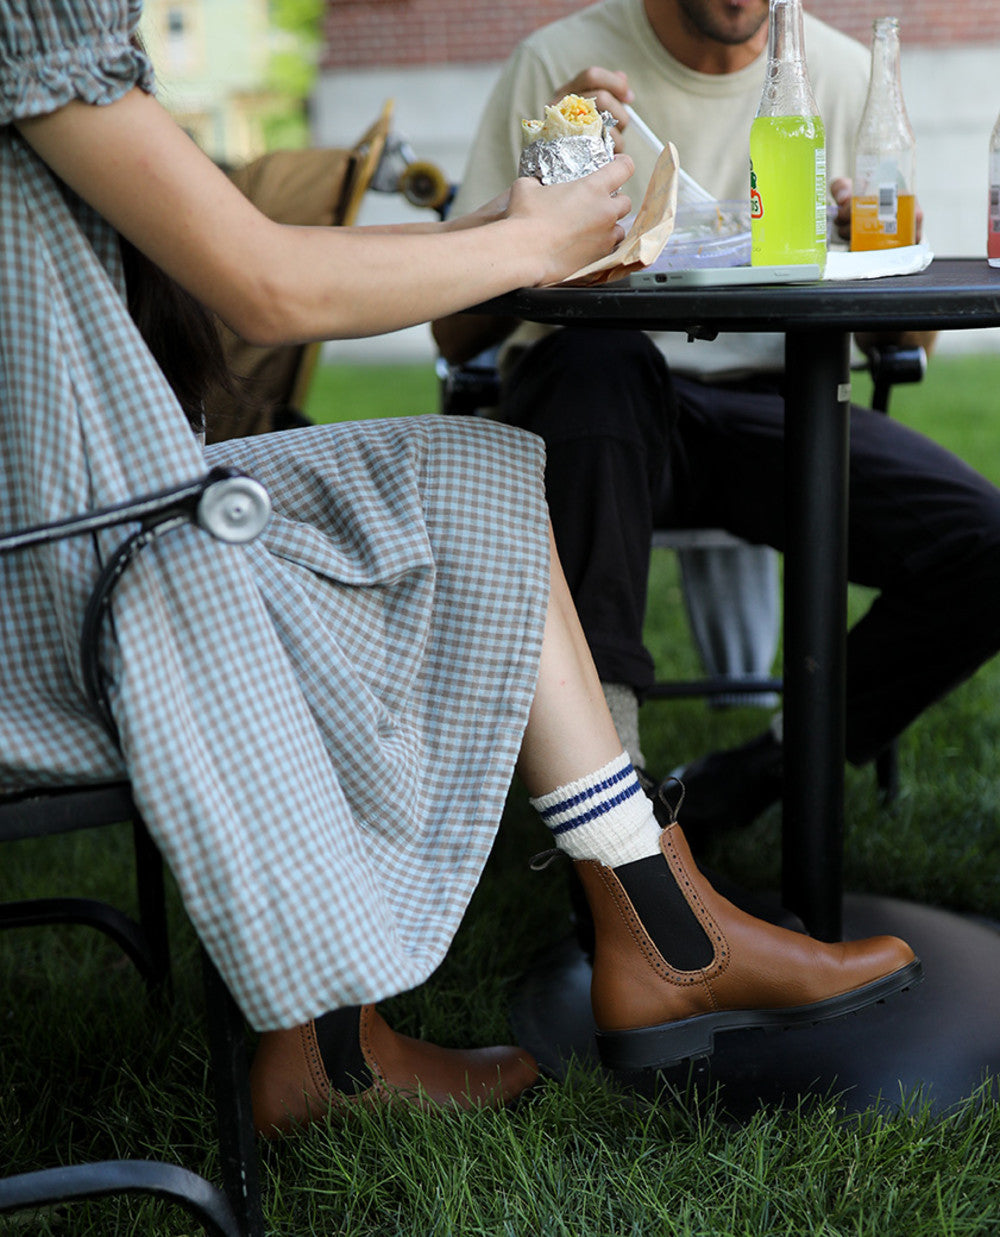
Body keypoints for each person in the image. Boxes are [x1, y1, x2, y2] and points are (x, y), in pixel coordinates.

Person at [1, 0, 920, 1141]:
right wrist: (529, 245)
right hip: (61, 562)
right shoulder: (35, 22)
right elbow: (265, 288)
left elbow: (253, 254)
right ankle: (359, 1041)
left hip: (86, 503)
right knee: (414, 512)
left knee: (471, 468)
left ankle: (649, 921)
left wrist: (502, 224)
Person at [432, 0, 1000, 843]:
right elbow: (455, 333)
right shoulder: (561, 64)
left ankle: (762, 770)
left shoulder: (843, 76)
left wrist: (872, 248)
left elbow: (906, 342)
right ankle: (612, 824)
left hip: (783, 403)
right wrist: (545, 185)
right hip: (599, 410)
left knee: (986, 543)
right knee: (600, 362)